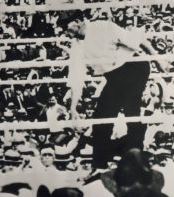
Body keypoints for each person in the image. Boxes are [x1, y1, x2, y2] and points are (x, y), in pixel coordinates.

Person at [65, 12, 167, 169]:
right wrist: (73, 108)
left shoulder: (102, 26)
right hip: (114, 76)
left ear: (77, 21)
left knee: (131, 112)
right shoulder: (76, 46)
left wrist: (158, 59)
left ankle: (137, 163)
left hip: (134, 66)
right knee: (101, 118)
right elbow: (76, 78)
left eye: (66, 27)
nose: (65, 33)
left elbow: (138, 40)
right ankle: (99, 166)